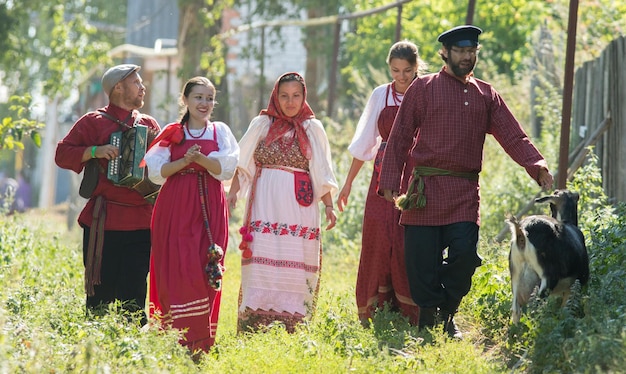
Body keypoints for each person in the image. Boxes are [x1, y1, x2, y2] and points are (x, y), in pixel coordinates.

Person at [379, 25, 554, 339]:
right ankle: (429, 319)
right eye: (459, 51)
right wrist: (391, 179)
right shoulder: (423, 88)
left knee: (464, 256)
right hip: (424, 191)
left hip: (463, 192)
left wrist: (536, 165)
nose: (466, 56)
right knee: (421, 262)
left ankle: (446, 312)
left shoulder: (486, 94)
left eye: (471, 51)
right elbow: (400, 135)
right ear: (444, 53)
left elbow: (513, 135)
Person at [227, 72, 338, 333]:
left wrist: (330, 206)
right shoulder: (262, 124)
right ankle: (255, 322)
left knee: (294, 259)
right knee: (262, 259)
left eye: (296, 96)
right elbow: (242, 164)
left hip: (298, 208)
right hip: (264, 204)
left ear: (304, 97)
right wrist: (232, 193)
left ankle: (294, 324)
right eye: (284, 96)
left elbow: (321, 171)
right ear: (276, 96)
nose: (290, 102)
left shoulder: (312, 128)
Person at [55, 64, 161, 325]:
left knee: (134, 293)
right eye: (136, 82)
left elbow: (162, 162)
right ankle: (95, 350)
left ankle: (131, 351)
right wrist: (94, 151)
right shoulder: (93, 122)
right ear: (118, 88)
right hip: (104, 222)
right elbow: (61, 154)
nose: (142, 87)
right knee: (100, 295)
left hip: (141, 223)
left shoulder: (148, 124)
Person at [142, 76, 239, 353]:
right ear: (184, 100)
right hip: (176, 206)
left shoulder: (220, 131)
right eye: (198, 97)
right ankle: (175, 338)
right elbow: (157, 172)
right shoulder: (173, 133)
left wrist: (200, 160)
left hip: (209, 204)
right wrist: (185, 160)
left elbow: (226, 169)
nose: (204, 103)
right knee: (177, 265)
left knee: (206, 264)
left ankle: (201, 342)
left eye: (209, 98)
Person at [336, 41, 425, 327]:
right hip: (382, 176)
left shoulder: (426, 91)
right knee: (377, 238)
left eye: (407, 70)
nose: (401, 77)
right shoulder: (380, 95)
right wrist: (348, 184)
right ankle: (375, 307)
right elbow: (365, 143)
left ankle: (410, 309)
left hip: (415, 177)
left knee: (405, 241)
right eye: (395, 70)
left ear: (417, 67)